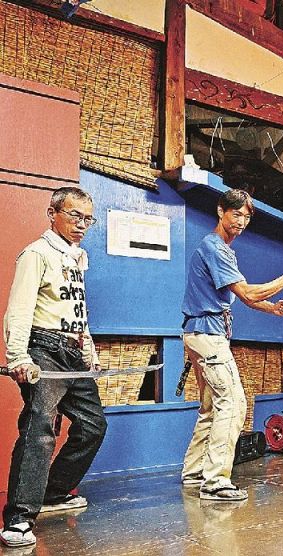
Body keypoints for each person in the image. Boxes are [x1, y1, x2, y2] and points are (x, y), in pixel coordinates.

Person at [180, 189, 283, 501]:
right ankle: (215, 481)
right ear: (221, 210)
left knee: (210, 407)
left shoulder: (221, 250)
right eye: (236, 214)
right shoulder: (216, 249)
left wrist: (273, 307)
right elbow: (249, 293)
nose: (241, 221)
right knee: (233, 403)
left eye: (247, 217)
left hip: (201, 334)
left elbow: (237, 298)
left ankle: (194, 473)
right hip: (208, 336)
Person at [2, 187, 108, 548]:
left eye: (87, 218)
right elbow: (18, 309)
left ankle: (53, 492)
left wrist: (90, 351)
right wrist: (17, 356)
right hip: (44, 348)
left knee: (93, 425)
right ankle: (18, 518)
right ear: (52, 213)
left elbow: (78, 311)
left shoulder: (77, 256)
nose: (82, 225)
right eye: (74, 215)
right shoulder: (36, 254)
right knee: (40, 429)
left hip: (74, 352)